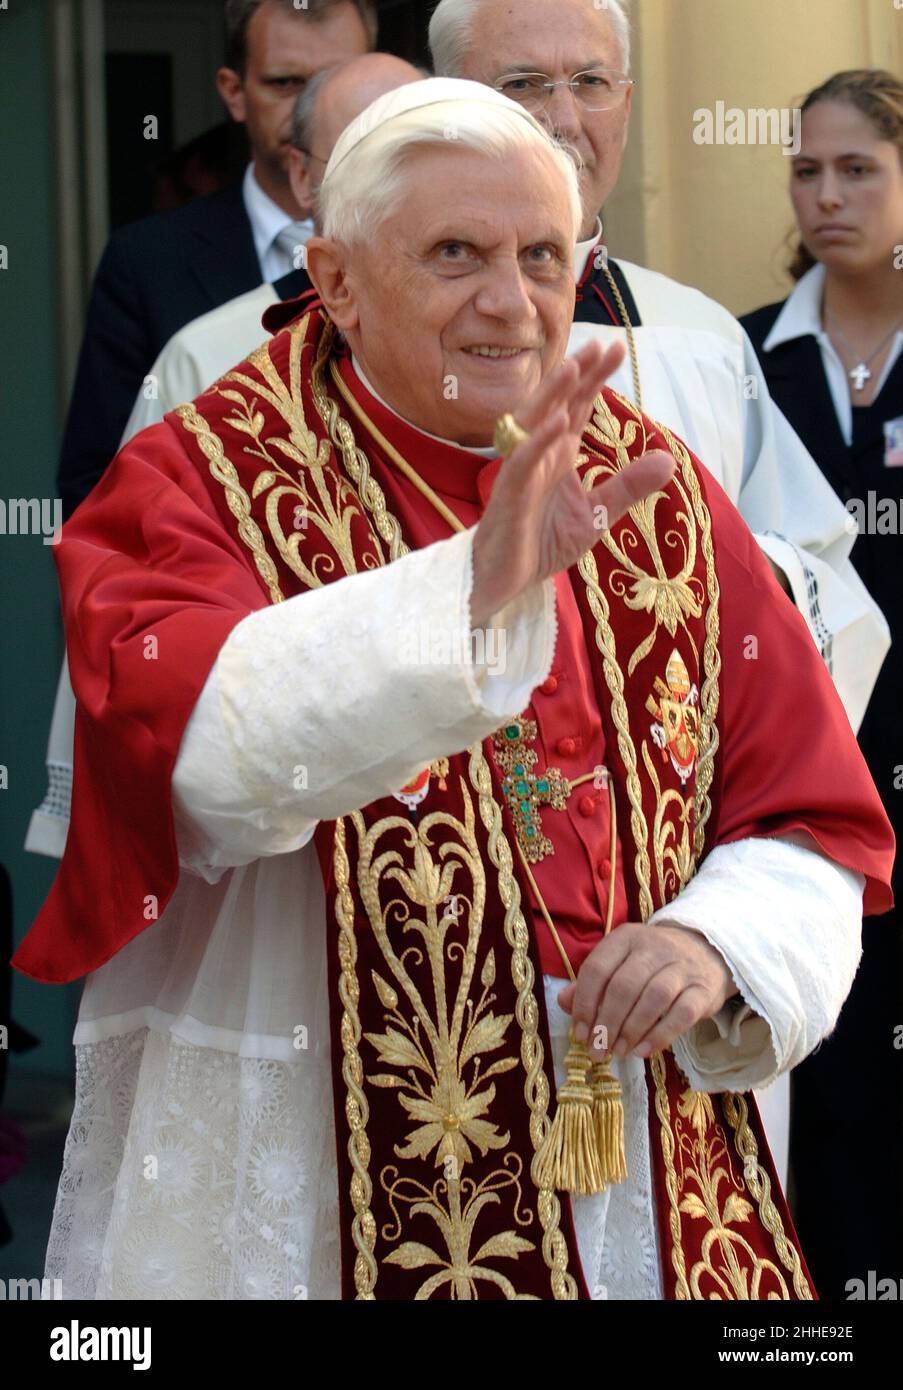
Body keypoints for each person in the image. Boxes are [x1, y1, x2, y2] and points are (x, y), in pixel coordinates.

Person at [12, 80, 893, 1302]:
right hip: (327, 1163)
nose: (509, 301)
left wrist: (715, 940)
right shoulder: (197, 472)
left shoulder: (658, 484)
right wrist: (470, 597)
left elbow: (812, 808)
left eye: (542, 255)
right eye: (453, 255)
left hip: (640, 1154)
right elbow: (194, 765)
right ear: (334, 280)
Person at [428, 0, 888, 740]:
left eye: (590, 81)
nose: (562, 118)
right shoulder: (378, 326)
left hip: (685, 819)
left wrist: (732, 580)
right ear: (444, 102)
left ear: (627, 103)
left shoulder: (700, 336)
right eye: (523, 83)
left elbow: (825, 580)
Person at [24, 52, 422, 864]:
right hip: (274, 826)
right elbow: (138, 601)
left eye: (419, 149)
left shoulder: (503, 344)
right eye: (366, 154)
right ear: (305, 182)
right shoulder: (206, 356)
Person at [742, 68, 903, 1301]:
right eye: (808, 169)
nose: (827, 194)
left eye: (859, 169)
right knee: (821, 1072)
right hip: (807, 787)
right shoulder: (748, 358)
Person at [57, 0, 376, 521]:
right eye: (286, 83)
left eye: (334, 81)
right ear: (234, 92)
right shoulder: (146, 262)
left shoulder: (440, 259)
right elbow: (97, 489)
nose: (309, 110)